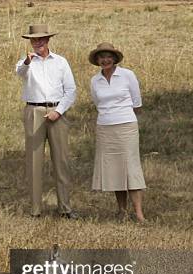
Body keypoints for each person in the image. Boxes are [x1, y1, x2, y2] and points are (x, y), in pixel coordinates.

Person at [16, 24, 77, 219]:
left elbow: (71, 90)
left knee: (62, 161)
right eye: (34, 40)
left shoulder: (60, 62)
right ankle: (35, 210)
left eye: (41, 39)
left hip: (57, 110)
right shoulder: (25, 63)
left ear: (48, 40)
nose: (38, 42)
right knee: (34, 162)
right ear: (30, 42)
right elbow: (20, 73)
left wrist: (58, 112)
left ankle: (65, 208)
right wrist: (27, 61)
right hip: (34, 110)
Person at [89, 42, 146, 222]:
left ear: (114, 59)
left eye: (108, 57)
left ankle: (139, 213)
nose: (105, 60)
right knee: (114, 169)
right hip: (105, 127)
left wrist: (122, 114)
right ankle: (122, 211)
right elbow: (98, 103)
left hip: (126, 125)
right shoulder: (94, 80)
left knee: (130, 168)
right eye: (101, 57)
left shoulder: (127, 75)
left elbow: (137, 102)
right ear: (97, 60)